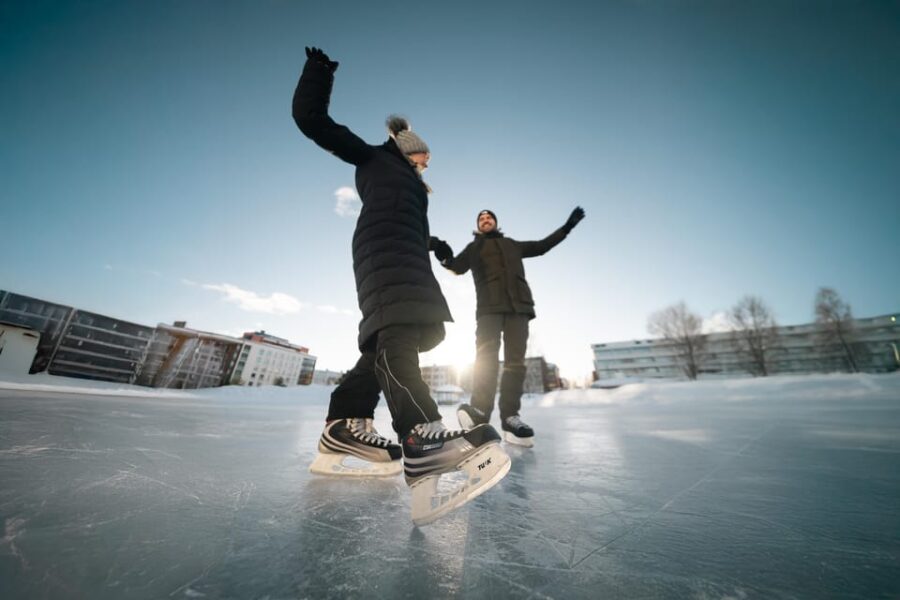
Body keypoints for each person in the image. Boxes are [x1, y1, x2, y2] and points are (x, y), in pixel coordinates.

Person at [292, 47, 510, 525]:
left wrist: (432, 243)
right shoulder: (374, 157)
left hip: (404, 257)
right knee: (398, 333)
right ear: (409, 148)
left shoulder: (410, 185)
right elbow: (311, 120)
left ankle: (342, 426)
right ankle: (421, 436)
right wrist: (319, 72)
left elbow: (403, 220)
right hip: (382, 255)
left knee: (392, 340)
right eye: (423, 157)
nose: (426, 165)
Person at [432, 207, 585, 446]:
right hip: (488, 310)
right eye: (481, 219)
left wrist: (567, 227)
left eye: (489, 217)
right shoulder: (474, 248)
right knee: (486, 360)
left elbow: (542, 246)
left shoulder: (512, 245)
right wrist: (443, 256)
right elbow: (456, 266)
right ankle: (480, 412)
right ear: (478, 225)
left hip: (519, 308)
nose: (485, 220)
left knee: (515, 363)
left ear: (495, 222)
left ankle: (511, 418)